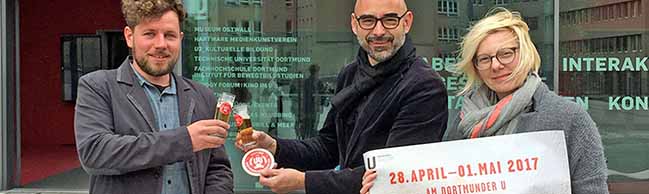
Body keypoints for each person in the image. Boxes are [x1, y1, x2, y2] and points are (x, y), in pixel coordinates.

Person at [361, 8, 608, 194]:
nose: (496, 65)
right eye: (485, 58)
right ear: (476, 67)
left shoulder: (569, 118)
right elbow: (437, 182)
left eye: (506, 53)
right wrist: (385, 181)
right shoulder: (463, 124)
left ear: (526, 54)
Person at [235, 0, 448, 193]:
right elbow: (328, 147)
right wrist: (274, 146)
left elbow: (392, 175)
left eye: (390, 20)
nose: (379, 31)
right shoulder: (351, 73)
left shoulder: (424, 86)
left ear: (407, 22)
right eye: (368, 21)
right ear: (354, 25)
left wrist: (304, 181)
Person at [74, 0, 233, 193]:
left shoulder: (202, 95)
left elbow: (218, 168)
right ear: (129, 36)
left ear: (180, 39)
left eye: (170, 35)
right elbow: (95, 153)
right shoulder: (98, 87)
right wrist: (185, 140)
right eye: (150, 34)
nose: (161, 44)